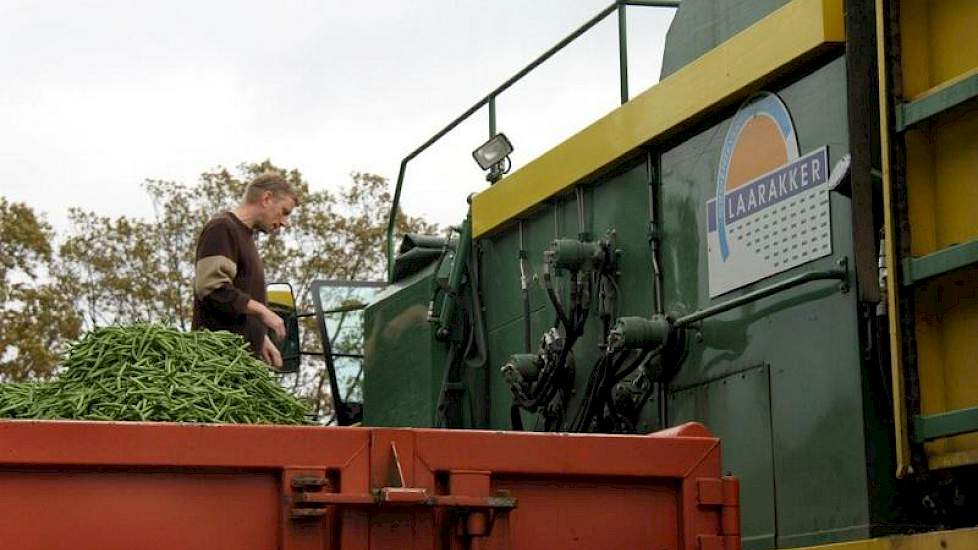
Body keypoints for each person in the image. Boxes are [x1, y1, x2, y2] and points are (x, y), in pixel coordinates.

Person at [191, 172, 298, 368]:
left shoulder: (246, 238)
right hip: (216, 366)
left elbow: (236, 304)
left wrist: (260, 338)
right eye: (284, 211)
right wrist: (263, 312)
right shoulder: (223, 228)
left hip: (238, 366)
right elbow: (211, 288)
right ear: (266, 199)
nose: (284, 222)